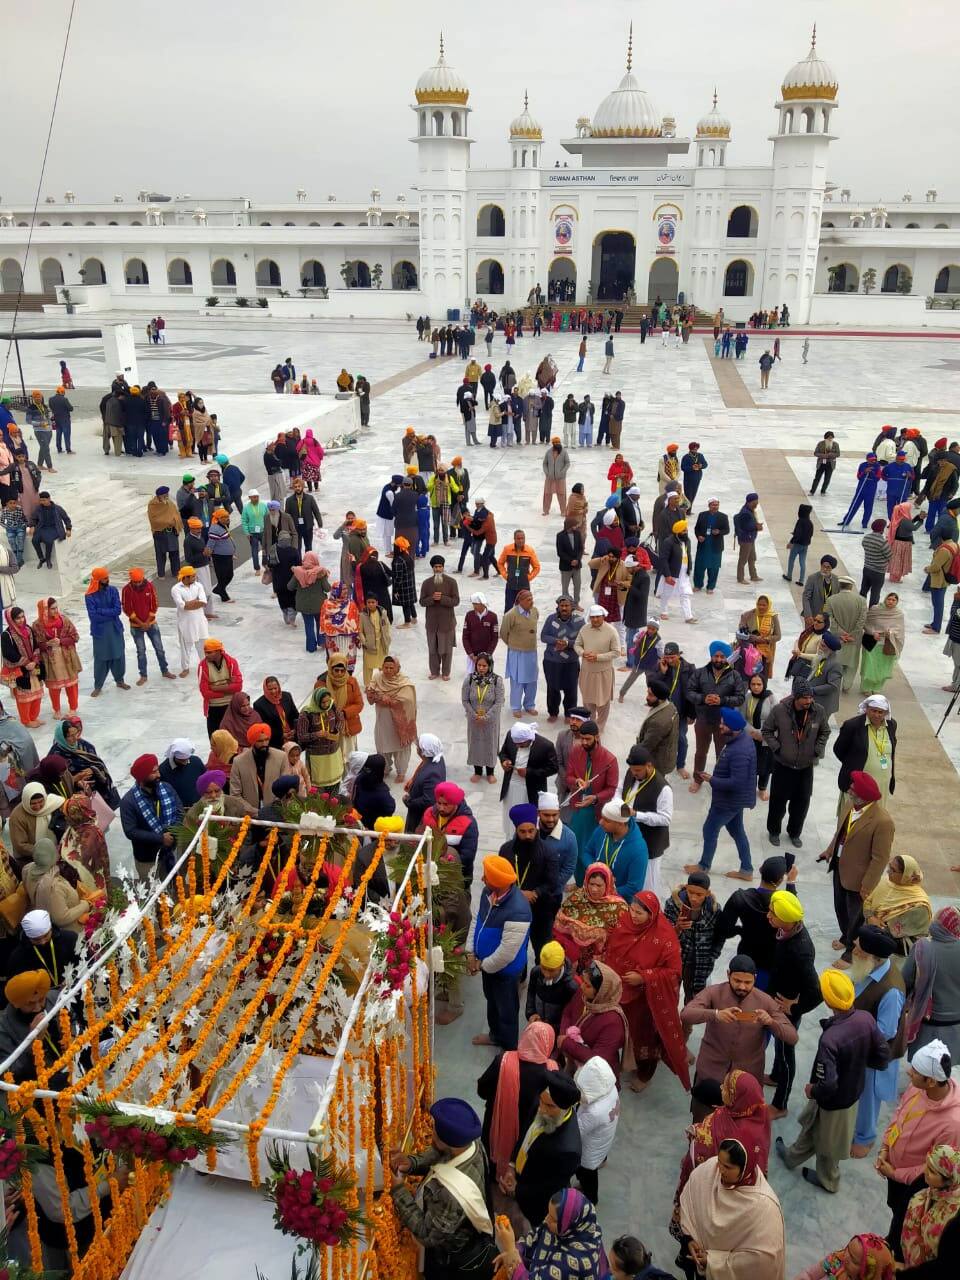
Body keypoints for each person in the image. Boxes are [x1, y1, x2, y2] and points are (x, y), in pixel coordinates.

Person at [775, 967, 891, 1194]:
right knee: (814, 1127)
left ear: (828, 1002)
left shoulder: (830, 1038)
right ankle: (791, 1156)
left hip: (832, 1099)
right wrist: (857, 1068)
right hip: (852, 1092)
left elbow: (828, 1084)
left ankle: (829, 1180)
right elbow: (882, 1054)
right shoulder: (865, 1018)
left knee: (829, 1142)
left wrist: (812, 1090)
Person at [389, 1098, 495, 1280]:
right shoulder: (470, 1143)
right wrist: (412, 1163)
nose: (432, 1132)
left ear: (445, 1140)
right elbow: (440, 1153)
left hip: (449, 1259)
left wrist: (399, 1190)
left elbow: (426, 1234)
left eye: (435, 1130)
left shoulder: (450, 1194)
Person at [876, 1039, 960, 1251]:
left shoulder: (952, 1124)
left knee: (904, 1219)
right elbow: (899, 1115)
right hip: (893, 1168)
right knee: (895, 1209)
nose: (908, 1073)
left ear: (931, 1081)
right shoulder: (917, 1089)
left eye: (915, 1071)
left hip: (913, 1185)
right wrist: (886, 1147)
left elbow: (933, 1168)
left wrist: (896, 1173)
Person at [604, 890, 689, 1093]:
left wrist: (645, 976)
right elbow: (612, 949)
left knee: (644, 1037)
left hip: (645, 1000)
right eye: (632, 910)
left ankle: (645, 1073)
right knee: (618, 1031)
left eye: (639, 913)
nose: (633, 916)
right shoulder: (624, 923)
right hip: (618, 992)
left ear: (651, 914)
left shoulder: (665, 936)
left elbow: (674, 972)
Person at [683, 955, 797, 1104]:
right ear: (728, 974)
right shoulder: (714, 993)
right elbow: (686, 1014)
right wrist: (715, 1014)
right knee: (704, 1118)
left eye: (747, 982)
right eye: (737, 981)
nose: (742, 987)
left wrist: (771, 1022)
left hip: (747, 1076)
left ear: (755, 978)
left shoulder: (764, 1001)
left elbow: (792, 1037)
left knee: (741, 1122)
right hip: (712, 1071)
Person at [819, 770, 895, 965]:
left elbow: (880, 858)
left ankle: (851, 953)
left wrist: (867, 885)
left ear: (863, 796)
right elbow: (841, 833)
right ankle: (846, 938)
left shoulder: (882, 822)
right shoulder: (849, 805)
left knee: (856, 919)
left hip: (859, 880)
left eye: (853, 789)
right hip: (840, 869)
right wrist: (829, 851)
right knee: (840, 909)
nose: (849, 790)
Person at [679, 1143, 785, 1280]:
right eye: (719, 1162)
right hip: (697, 1261)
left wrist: (713, 1262)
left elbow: (762, 1260)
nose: (720, 1170)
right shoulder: (710, 1169)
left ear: (745, 1168)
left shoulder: (764, 1207)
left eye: (728, 1167)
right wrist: (690, 1238)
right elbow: (690, 1200)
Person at [851, 925, 908, 1157]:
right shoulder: (872, 969)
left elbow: (886, 1031)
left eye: (856, 947)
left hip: (875, 1052)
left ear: (869, 956)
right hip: (860, 1045)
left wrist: (853, 1030)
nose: (853, 948)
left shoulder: (891, 990)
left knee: (868, 1098)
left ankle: (865, 1138)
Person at [477, 1021, 559, 1181]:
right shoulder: (552, 1071)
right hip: (530, 1133)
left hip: (498, 1126)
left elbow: (482, 1089)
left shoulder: (504, 1061)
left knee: (490, 1164)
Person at [766, 892, 823, 1119]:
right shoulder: (788, 930)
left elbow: (816, 992)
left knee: (786, 1050)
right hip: (777, 997)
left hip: (786, 1010)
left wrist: (794, 1007)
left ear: (787, 920)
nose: (768, 916)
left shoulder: (800, 950)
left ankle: (780, 1104)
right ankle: (775, 1075)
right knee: (778, 1047)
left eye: (773, 914)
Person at [467, 854, 532, 1050]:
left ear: (497, 882)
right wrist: (471, 953)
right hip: (487, 966)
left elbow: (507, 953)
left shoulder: (519, 909)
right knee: (492, 1002)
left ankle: (510, 1048)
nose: (482, 879)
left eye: (486, 876)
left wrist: (482, 965)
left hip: (505, 972)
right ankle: (495, 1036)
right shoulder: (488, 893)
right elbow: (476, 921)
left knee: (507, 1011)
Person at [501, 1072, 583, 1227]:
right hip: (520, 1176)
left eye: (550, 1106)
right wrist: (512, 1166)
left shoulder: (569, 1150)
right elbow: (525, 1134)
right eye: (541, 1102)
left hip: (535, 1205)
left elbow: (546, 1188)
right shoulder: (542, 1102)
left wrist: (517, 1190)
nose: (542, 1110)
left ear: (566, 1108)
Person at [691, 708, 756, 881]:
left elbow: (737, 782)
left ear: (732, 727)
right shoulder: (739, 739)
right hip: (734, 800)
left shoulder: (739, 751)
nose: (720, 726)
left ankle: (703, 866)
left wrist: (711, 780)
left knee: (710, 829)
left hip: (728, 802)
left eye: (723, 724)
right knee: (737, 831)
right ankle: (747, 869)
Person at [762, 682, 829, 850]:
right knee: (777, 803)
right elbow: (767, 731)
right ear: (795, 697)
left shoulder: (818, 711)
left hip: (805, 767)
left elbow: (825, 731)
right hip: (783, 765)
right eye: (805, 698)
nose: (809, 701)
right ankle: (774, 831)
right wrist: (777, 748)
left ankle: (794, 833)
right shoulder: (779, 710)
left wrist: (818, 749)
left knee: (801, 804)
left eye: (811, 697)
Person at [494, 1187, 607, 1278]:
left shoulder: (575, 1261)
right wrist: (516, 1250)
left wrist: (510, 1250)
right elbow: (534, 1238)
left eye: (553, 1219)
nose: (546, 1220)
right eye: (549, 1213)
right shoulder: (573, 1226)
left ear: (569, 1224)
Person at [557, 960, 630, 1085]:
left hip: (593, 1077)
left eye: (588, 985)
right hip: (573, 1060)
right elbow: (568, 1012)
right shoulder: (586, 996)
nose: (582, 986)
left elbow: (597, 1061)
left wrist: (567, 1043)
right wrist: (564, 1034)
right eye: (584, 982)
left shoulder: (613, 1023)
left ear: (602, 992)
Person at [902, 908, 960, 1058]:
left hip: (928, 1023)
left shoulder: (923, 948)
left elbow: (905, 981)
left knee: (924, 1065)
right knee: (942, 1068)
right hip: (956, 1025)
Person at [687, 642, 745, 789]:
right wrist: (702, 699)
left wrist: (723, 700)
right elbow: (689, 692)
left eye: (722, 656)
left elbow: (740, 698)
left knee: (722, 754)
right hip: (703, 720)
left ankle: (719, 780)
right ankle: (698, 779)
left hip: (724, 723)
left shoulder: (735, 676)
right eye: (716, 656)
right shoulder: (700, 673)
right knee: (700, 752)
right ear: (711, 656)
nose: (719, 659)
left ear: (727, 657)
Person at [119, 753, 184, 879]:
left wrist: (172, 832)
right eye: (153, 772)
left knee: (175, 889)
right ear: (142, 777)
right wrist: (160, 838)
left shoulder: (167, 788)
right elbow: (130, 831)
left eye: (157, 770)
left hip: (172, 849)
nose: (158, 775)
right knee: (152, 893)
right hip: (147, 859)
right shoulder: (128, 801)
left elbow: (180, 812)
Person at [552, 862, 626, 968]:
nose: (594, 889)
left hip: (600, 965)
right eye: (591, 884)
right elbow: (560, 924)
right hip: (573, 959)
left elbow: (622, 940)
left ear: (608, 884)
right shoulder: (578, 897)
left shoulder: (619, 908)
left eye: (599, 885)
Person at [573, 1058, 620, 1204]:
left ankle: (591, 1200)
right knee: (587, 1172)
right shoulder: (611, 1090)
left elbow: (576, 1131)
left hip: (589, 1152)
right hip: (602, 1141)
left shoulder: (595, 1112)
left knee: (588, 1174)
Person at [863, 856, 932, 954]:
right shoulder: (886, 882)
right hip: (876, 932)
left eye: (893, 870)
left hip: (899, 948)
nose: (888, 872)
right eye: (889, 867)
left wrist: (872, 921)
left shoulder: (919, 906)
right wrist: (870, 917)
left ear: (906, 876)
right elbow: (868, 901)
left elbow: (892, 932)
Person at [366, 655, 417, 782]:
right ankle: (385, 768)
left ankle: (401, 772)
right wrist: (378, 697)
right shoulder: (377, 677)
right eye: (385, 667)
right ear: (382, 667)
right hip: (383, 721)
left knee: (401, 749)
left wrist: (384, 698)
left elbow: (407, 700)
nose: (388, 670)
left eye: (391, 667)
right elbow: (370, 694)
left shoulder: (405, 682)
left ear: (397, 668)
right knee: (383, 746)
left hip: (400, 725)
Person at [48, 714, 116, 806]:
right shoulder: (55, 755)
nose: (75, 738)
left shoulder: (86, 746)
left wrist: (92, 769)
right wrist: (76, 779)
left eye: (75, 733)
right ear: (62, 737)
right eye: (70, 736)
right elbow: (55, 782)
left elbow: (98, 764)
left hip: (95, 792)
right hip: (74, 797)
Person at [121, 567, 174, 685]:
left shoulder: (150, 586)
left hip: (151, 623)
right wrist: (141, 623)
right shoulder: (126, 590)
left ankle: (165, 670)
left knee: (159, 648)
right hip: (136, 625)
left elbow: (154, 604)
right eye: (135, 582)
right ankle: (143, 675)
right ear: (131, 581)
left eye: (139, 581)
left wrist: (147, 621)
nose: (138, 584)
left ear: (143, 579)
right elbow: (127, 608)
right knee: (141, 651)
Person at [573, 605, 620, 731]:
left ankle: (600, 727)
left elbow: (616, 652)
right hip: (587, 671)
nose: (594, 620)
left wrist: (598, 657)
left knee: (603, 702)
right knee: (587, 701)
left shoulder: (611, 631)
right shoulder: (584, 629)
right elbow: (577, 645)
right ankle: (590, 725)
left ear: (603, 617)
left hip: (603, 673)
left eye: (597, 617)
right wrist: (582, 653)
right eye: (592, 617)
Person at [84, 568, 128, 697]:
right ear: (97, 580)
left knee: (118, 655)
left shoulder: (113, 590)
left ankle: (120, 680)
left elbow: (117, 610)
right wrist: (108, 613)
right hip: (100, 632)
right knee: (101, 659)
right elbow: (93, 616)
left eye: (107, 577)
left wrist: (101, 611)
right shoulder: (89, 595)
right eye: (104, 578)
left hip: (115, 629)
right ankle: (98, 686)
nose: (107, 580)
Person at [462, 653, 504, 783]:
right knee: (475, 744)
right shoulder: (470, 679)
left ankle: (490, 772)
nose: (481, 668)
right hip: (474, 719)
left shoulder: (497, 680)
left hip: (491, 720)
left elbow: (499, 702)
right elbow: (465, 700)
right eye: (479, 665)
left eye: (484, 665)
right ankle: (478, 771)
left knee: (490, 744)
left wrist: (486, 716)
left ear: (489, 665)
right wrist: (474, 715)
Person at [524, 940, 578, 1034]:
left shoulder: (570, 987)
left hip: (555, 1031)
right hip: (538, 1024)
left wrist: (550, 1027)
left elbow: (569, 1015)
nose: (547, 974)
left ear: (561, 966)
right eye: (543, 968)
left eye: (552, 970)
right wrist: (531, 1013)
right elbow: (531, 993)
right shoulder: (536, 972)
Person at [825, 577, 868, 691]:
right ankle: (847, 685)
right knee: (851, 663)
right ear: (851, 586)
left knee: (837, 661)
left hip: (837, 638)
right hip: (854, 639)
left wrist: (840, 633)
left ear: (840, 585)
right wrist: (852, 634)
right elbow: (862, 620)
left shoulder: (831, 599)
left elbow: (829, 618)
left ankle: (835, 684)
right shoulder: (862, 600)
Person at [420, 554, 459, 681]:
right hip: (432, 623)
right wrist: (432, 599)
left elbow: (456, 601)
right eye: (436, 567)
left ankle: (446, 672)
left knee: (447, 650)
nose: (438, 569)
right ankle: (434, 671)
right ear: (432, 568)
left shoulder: (451, 582)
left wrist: (442, 598)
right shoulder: (426, 584)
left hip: (447, 623)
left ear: (443, 567)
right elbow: (421, 602)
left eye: (440, 567)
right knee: (433, 649)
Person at [860, 593, 905, 693]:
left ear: (897, 602)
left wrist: (891, 633)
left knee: (883, 667)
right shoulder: (875, 609)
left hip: (887, 644)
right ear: (885, 599)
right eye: (889, 599)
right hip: (872, 642)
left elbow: (900, 630)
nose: (891, 602)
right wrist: (872, 632)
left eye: (894, 600)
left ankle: (877, 688)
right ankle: (866, 688)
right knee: (869, 666)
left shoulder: (898, 614)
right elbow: (866, 623)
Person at [197, 637, 242, 736]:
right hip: (213, 708)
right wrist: (227, 689)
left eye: (209, 652)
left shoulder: (231, 663)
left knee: (234, 738)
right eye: (205, 652)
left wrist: (214, 688)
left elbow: (238, 687)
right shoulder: (202, 666)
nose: (206, 655)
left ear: (219, 651)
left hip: (231, 706)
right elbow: (205, 693)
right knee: (215, 740)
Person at [403, 733, 446, 832]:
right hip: (417, 808)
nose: (417, 748)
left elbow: (429, 800)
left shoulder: (432, 773)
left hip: (420, 815)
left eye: (418, 747)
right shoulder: (434, 758)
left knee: (413, 837)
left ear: (423, 752)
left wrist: (409, 802)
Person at [320, 581, 361, 673]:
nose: (345, 591)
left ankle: (348, 678)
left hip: (348, 639)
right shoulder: (326, 604)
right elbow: (323, 620)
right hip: (333, 640)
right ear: (336, 591)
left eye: (346, 588)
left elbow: (356, 619)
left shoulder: (351, 603)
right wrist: (336, 627)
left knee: (348, 661)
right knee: (335, 662)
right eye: (342, 589)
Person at [692, 498, 730, 594]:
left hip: (715, 547)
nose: (715, 507)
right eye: (713, 505)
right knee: (699, 566)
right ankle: (698, 585)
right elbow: (697, 528)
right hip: (703, 545)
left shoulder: (723, 517)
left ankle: (710, 587)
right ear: (709, 505)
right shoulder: (702, 515)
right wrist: (699, 536)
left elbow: (727, 530)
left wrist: (719, 532)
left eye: (717, 505)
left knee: (714, 568)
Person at [498, 531, 541, 611]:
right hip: (511, 584)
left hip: (524, 586)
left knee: (525, 608)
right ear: (514, 539)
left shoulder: (529, 550)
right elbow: (500, 563)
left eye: (522, 538)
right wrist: (506, 575)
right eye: (518, 538)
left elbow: (537, 567)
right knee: (508, 608)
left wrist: (528, 577)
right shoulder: (507, 549)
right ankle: (508, 623)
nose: (521, 540)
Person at [253, 675, 299, 749]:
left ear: (279, 687)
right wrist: (282, 735)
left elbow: (295, 715)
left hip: (292, 737)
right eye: (270, 689)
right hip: (276, 742)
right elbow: (264, 726)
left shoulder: (287, 696)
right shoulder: (259, 704)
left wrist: (294, 729)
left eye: (275, 688)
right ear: (265, 689)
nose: (273, 691)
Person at [158, 738, 205, 808]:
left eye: (187, 759)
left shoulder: (196, 762)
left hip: (198, 807)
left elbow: (205, 781)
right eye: (182, 760)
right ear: (174, 755)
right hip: (178, 812)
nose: (185, 762)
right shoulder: (163, 770)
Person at [284, 477, 322, 553]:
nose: (297, 488)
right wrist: (286, 528)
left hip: (308, 526)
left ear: (302, 486)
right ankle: (299, 563)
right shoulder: (289, 501)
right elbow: (286, 516)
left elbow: (316, 511)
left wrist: (320, 523)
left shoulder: (310, 498)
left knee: (308, 547)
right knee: (297, 548)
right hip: (295, 528)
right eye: (295, 487)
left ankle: (308, 563)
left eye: (299, 486)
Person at [802, 554, 839, 622]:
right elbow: (806, 597)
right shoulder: (812, 578)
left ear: (832, 568)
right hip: (813, 616)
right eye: (823, 566)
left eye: (828, 567)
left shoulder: (836, 580)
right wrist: (808, 614)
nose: (825, 569)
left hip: (828, 617)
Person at [542, 438, 570, 516]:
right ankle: (546, 510)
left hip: (560, 478)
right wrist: (547, 473)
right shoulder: (548, 452)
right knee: (547, 494)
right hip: (549, 478)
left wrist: (562, 472)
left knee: (561, 495)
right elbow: (544, 463)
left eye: (558, 443)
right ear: (553, 444)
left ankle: (563, 511)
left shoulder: (564, 452)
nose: (557, 445)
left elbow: (567, 463)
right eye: (556, 443)